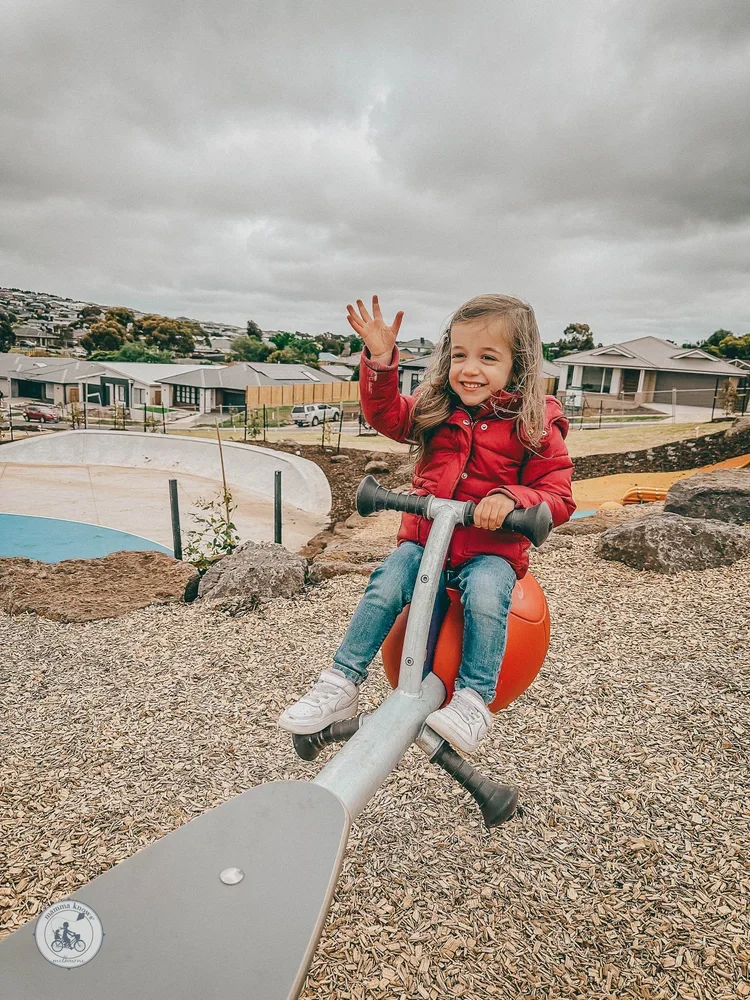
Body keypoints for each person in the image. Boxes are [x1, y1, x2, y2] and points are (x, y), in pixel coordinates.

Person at [279, 294, 575, 753]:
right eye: (459, 355)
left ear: (517, 366)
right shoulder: (437, 407)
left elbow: (558, 496)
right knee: (386, 583)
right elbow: (386, 415)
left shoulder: (535, 424)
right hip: (424, 541)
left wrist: (511, 498)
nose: (469, 369)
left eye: (487, 357)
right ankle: (340, 681)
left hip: (490, 551)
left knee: (485, 596)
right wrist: (380, 361)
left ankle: (474, 700)